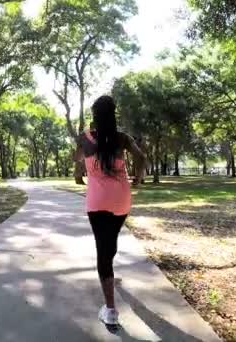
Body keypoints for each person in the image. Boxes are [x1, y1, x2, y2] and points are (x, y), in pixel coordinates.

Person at [74, 95, 146, 326]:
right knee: (111, 242)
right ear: (112, 115)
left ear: (94, 115)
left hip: (97, 202)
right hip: (121, 201)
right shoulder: (122, 138)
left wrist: (79, 172)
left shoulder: (84, 139)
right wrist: (138, 179)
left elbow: (77, 161)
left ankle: (111, 310)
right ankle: (110, 278)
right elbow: (141, 157)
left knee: (102, 251)